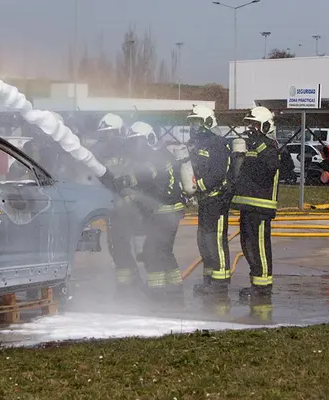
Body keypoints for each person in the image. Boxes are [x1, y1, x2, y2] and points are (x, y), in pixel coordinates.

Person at [112, 121, 185, 301]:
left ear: (149, 139)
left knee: (151, 250)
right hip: (170, 210)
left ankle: (156, 290)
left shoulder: (155, 158)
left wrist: (124, 182)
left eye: (137, 141)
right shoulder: (162, 155)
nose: (135, 146)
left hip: (164, 211)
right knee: (164, 250)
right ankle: (175, 286)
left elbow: (144, 176)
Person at [231, 106, 280, 299]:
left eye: (255, 125)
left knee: (260, 247)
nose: (252, 128)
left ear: (266, 126)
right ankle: (256, 284)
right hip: (248, 206)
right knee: (248, 246)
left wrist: (257, 144)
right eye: (250, 124)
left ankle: (263, 287)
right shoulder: (252, 146)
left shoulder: (269, 147)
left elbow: (270, 167)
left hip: (261, 207)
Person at [95, 113, 145, 296]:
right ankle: (128, 282)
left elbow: (139, 177)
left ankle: (135, 282)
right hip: (113, 206)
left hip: (130, 207)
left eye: (111, 133)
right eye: (104, 134)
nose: (108, 138)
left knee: (127, 245)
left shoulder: (131, 151)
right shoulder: (100, 154)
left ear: (120, 132)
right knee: (116, 245)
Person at [186, 105, 233, 297]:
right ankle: (209, 279)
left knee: (216, 241)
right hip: (205, 200)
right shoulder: (197, 144)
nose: (193, 127)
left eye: (197, 122)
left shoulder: (218, 143)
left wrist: (198, 186)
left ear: (207, 122)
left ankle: (220, 282)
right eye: (192, 123)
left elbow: (218, 173)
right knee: (203, 240)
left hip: (217, 200)